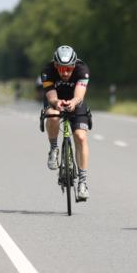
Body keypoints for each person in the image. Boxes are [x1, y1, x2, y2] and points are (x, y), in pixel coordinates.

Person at [40, 45, 92, 201]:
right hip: (55, 100)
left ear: (74, 65)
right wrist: (57, 102)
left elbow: (79, 95)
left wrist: (74, 102)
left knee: (81, 137)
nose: (65, 73)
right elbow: (51, 96)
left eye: (69, 69)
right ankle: (54, 149)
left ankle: (82, 183)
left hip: (76, 101)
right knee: (53, 115)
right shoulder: (47, 71)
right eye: (61, 69)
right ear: (55, 65)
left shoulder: (82, 70)